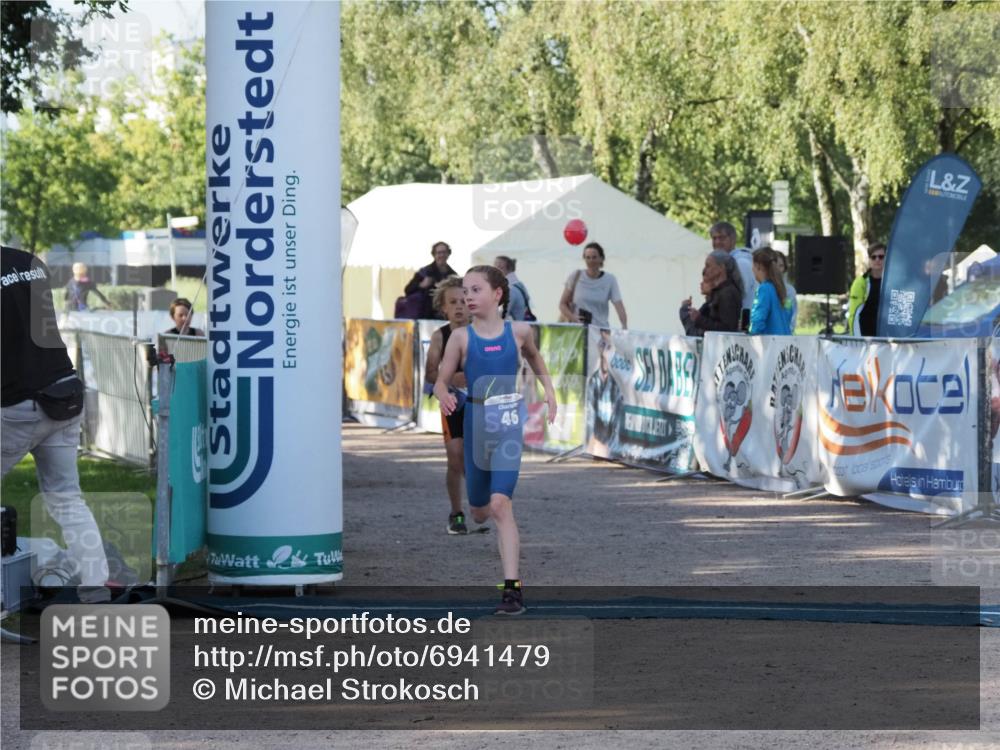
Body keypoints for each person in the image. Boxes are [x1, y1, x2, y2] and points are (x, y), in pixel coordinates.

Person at [434, 265, 557, 615]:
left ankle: (512, 590)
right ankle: (477, 507)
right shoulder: (461, 338)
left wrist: (549, 391)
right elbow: (442, 380)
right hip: (475, 425)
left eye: (475, 290)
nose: (468, 297)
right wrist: (443, 394)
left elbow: (535, 358)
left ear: (497, 294)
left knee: (501, 505)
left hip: (507, 426)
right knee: (480, 512)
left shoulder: (518, 331)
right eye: (465, 291)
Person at [2, 246, 110, 602]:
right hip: (64, 392)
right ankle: (97, 591)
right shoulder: (28, 262)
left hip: (19, 405)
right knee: (67, 500)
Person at [423, 277, 470, 534]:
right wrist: (452, 379)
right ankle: (456, 513)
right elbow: (430, 373)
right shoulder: (440, 336)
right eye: (453, 302)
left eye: (464, 301)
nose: (460, 307)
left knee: (477, 459)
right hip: (452, 402)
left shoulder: (483, 332)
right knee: (454, 458)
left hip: (480, 402)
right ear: (444, 308)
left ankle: (485, 504)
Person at [558, 242, 628, 329]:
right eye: (588, 258)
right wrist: (573, 318)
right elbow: (562, 304)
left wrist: (624, 327)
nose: (591, 261)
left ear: (601, 259)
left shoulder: (610, 279)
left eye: (594, 257)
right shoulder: (576, 276)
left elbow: (619, 306)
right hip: (578, 330)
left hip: (600, 331)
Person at [679, 251, 743, 336]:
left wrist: (699, 319)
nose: (704, 270)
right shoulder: (721, 291)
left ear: (721, 268)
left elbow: (728, 329)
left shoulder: (727, 293)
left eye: (708, 266)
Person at [709, 221, 757, 331]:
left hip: (743, 328)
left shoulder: (741, 263)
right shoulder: (726, 262)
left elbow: (735, 298)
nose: (717, 242)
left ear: (733, 239)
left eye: (721, 238)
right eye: (714, 238)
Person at [585, 329, 622, 456]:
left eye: (608, 346)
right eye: (602, 345)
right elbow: (591, 415)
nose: (605, 349)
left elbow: (616, 418)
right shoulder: (594, 380)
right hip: (597, 435)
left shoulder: (616, 383)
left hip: (610, 437)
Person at [401, 241, 458, 319]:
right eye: (439, 253)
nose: (441, 255)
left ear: (448, 254)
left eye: (444, 252)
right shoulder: (424, 272)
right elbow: (407, 290)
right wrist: (421, 285)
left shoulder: (453, 275)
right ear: (434, 255)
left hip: (444, 315)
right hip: (425, 314)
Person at [748, 247, 792, 335]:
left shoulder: (764, 289)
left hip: (771, 344)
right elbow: (789, 313)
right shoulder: (783, 289)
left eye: (752, 265)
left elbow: (757, 321)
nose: (752, 269)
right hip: (785, 341)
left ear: (758, 266)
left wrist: (750, 332)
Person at [847, 242, 885, 336]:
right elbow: (853, 315)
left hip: (888, 338)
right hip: (865, 338)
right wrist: (856, 338)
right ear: (869, 260)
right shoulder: (860, 283)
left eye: (881, 257)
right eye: (873, 257)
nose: (877, 260)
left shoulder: (893, 282)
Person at [493, 255, 535, 321]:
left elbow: (501, 315)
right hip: (521, 326)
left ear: (501, 268)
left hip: (514, 329)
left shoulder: (509, 289)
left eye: (495, 268)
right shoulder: (519, 284)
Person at [775, 252, 798, 333]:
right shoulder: (762, 288)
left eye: (781, 266)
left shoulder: (790, 291)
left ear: (785, 268)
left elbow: (789, 313)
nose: (778, 269)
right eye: (775, 265)